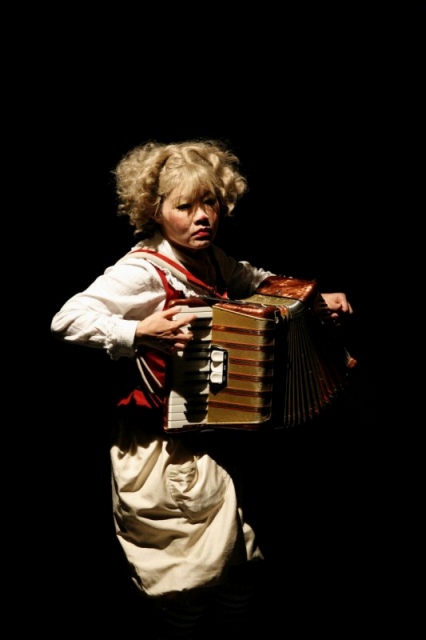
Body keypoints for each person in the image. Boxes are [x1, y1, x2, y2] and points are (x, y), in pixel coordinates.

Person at [51, 139, 353, 638]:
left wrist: (315, 298)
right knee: (188, 576)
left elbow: (254, 280)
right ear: (155, 211)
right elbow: (67, 319)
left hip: (216, 437)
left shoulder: (211, 258)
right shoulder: (142, 269)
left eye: (209, 202)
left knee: (240, 563)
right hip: (161, 444)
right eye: (184, 206)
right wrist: (135, 331)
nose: (201, 217)